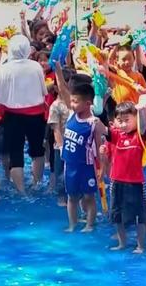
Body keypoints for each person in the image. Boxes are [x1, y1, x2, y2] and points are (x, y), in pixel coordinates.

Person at [0, 35, 48, 193]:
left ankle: (21, 192)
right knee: (38, 151)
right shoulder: (35, 66)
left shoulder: (4, 69)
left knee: (16, 154)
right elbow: (44, 91)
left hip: (12, 116)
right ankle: (37, 185)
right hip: (36, 115)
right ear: (27, 49)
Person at [56, 65, 106, 232]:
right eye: (72, 100)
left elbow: (101, 148)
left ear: (87, 103)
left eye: (76, 102)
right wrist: (57, 68)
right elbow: (63, 89)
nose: (72, 104)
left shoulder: (94, 123)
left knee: (89, 197)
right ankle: (72, 224)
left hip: (86, 167)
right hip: (69, 165)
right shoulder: (71, 114)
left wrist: (103, 168)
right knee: (71, 197)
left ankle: (90, 225)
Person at [104, 102, 146, 253]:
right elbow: (104, 130)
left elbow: (142, 126)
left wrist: (142, 110)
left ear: (135, 119)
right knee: (116, 214)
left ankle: (140, 245)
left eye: (127, 120)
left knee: (139, 216)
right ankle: (122, 243)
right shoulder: (117, 135)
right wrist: (94, 120)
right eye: (120, 121)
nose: (123, 124)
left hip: (135, 184)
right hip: (117, 182)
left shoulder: (139, 137)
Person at [47, 83, 69, 206]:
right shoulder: (55, 106)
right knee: (60, 173)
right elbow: (56, 129)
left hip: (74, 145)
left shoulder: (74, 104)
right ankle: (61, 198)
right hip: (60, 146)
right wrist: (61, 147)